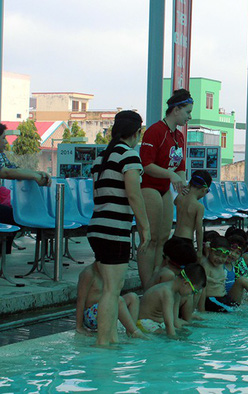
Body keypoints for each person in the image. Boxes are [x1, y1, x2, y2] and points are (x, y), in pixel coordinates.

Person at [87, 110, 150, 346]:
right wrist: (145, 228)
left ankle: (109, 337)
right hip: (114, 230)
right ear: (137, 132)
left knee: (109, 288)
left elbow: (98, 194)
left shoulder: (101, 157)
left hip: (97, 227)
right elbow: (134, 195)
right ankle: (104, 341)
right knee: (112, 290)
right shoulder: (129, 156)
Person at [138, 89, 192, 289]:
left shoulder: (178, 136)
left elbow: (180, 168)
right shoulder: (155, 131)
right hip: (149, 187)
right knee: (149, 238)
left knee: (163, 239)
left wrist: (185, 189)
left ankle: (155, 282)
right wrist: (171, 175)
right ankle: (147, 287)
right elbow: (146, 165)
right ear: (176, 110)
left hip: (163, 189)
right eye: (187, 112)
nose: (189, 116)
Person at [0, 123, 52, 253]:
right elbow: (6, 172)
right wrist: (34, 176)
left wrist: (37, 173)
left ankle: (3, 256)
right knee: (14, 216)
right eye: (3, 138)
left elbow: (14, 168)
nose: (6, 143)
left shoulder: (1, 156)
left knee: (15, 215)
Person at [75, 263, 146, 339]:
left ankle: (130, 331)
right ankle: (134, 331)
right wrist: (79, 327)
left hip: (106, 310)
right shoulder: (89, 273)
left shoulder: (107, 272)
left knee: (133, 297)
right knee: (118, 300)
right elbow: (80, 300)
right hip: (91, 316)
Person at [137, 264, 206, 338]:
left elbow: (174, 321)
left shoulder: (177, 294)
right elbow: (168, 324)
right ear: (186, 283)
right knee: (164, 335)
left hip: (158, 322)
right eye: (193, 291)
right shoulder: (167, 293)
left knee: (185, 332)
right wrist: (175, 341)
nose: (191, 294)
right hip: (144, 322)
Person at [172, 170, 212, 260]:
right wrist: (199, 251)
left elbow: (175, 202)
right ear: (204, 190)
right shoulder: (199, 207)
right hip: (186, 242)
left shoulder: (180, 198)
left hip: (174, 239)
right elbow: (198, 231)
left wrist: (184, 190)